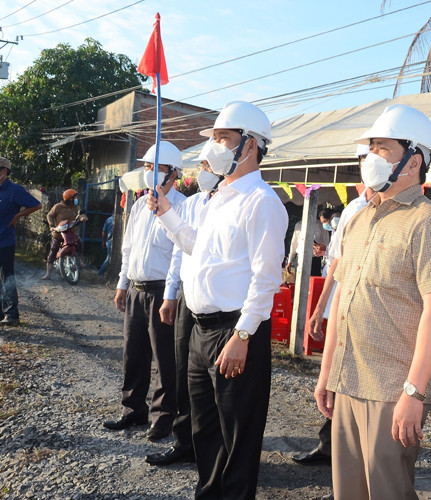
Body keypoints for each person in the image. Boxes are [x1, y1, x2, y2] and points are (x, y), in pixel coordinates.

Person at [315, 104, 431, 499]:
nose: (370, 158)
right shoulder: (361, 219)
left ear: (413, 161)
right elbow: (344, 299)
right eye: (370, 149)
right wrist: (327, 373)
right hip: (348, 380)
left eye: (382, 149)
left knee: (387, 491)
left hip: (391, 390)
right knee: (349, 491)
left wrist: (414, 394)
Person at [148, 101, 288, 499]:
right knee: (205, 429)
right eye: (214, 137)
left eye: (223, 137)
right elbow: (198, 249)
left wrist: (242, 338)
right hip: (200, 328)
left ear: (249, 146)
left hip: (235, 330)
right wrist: (167, 216)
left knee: (238, 434)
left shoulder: (262, 202)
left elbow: (266, 279)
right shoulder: (217, 199)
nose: (213, 146)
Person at [293, 144, 373, 467]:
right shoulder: (353, 210)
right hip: (345, 303)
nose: (370, 164)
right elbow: (337, 262)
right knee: (336, 374)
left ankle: (358, 452)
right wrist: (319, 307)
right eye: (365, 159)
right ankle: (332, 446)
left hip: (376, 314)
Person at [103, 141, 186, 445]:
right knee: (133, 353)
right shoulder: (138, 205)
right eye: (148, 166)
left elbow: (180, 255)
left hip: (163, 291)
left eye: (156, 167)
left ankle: (163, 417)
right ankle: (132, 409)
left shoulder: (181, 206)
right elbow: (128, 249)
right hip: (137, 290)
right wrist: (122, 284)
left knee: (165, 359)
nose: (149, 172)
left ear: (172, 173)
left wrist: (172, 295)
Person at [145, 144, 222, 466]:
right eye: (200, 164)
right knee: (182, 372)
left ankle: (212, 447)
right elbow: (180, 250)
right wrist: (171, 294)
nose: (203, 171)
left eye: (208, 164)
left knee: (215, 382)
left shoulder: (236, 205)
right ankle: (184, 441)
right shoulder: (191, 204)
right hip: (189, 298)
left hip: (219, 304)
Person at [0, 156, 42, 326]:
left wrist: (17, 215)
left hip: (5, 241)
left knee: (7, 277)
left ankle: (12, 314)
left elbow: (36, 205)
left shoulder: (14, 190)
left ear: (4, 171)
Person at [42, 188, 86, 280]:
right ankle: (48, 274)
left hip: (71, 232)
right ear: (69, 198)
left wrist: (83, 218)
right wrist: (52, 225)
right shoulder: (58, 207)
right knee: (53, 250)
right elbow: (49, 215)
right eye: (75, 197)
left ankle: (80, 260)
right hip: (58, 233)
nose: (76, 199)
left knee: (79, 243)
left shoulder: (76, 207)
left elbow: (81, 215)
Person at [287, 207, 331, 277]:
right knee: (299, 283)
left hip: (314, 260)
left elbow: (327, 243)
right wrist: (290, 261)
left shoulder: (320, 225)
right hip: (300, 259)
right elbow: (294, 244)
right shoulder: (298, 225)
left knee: (313, 283)